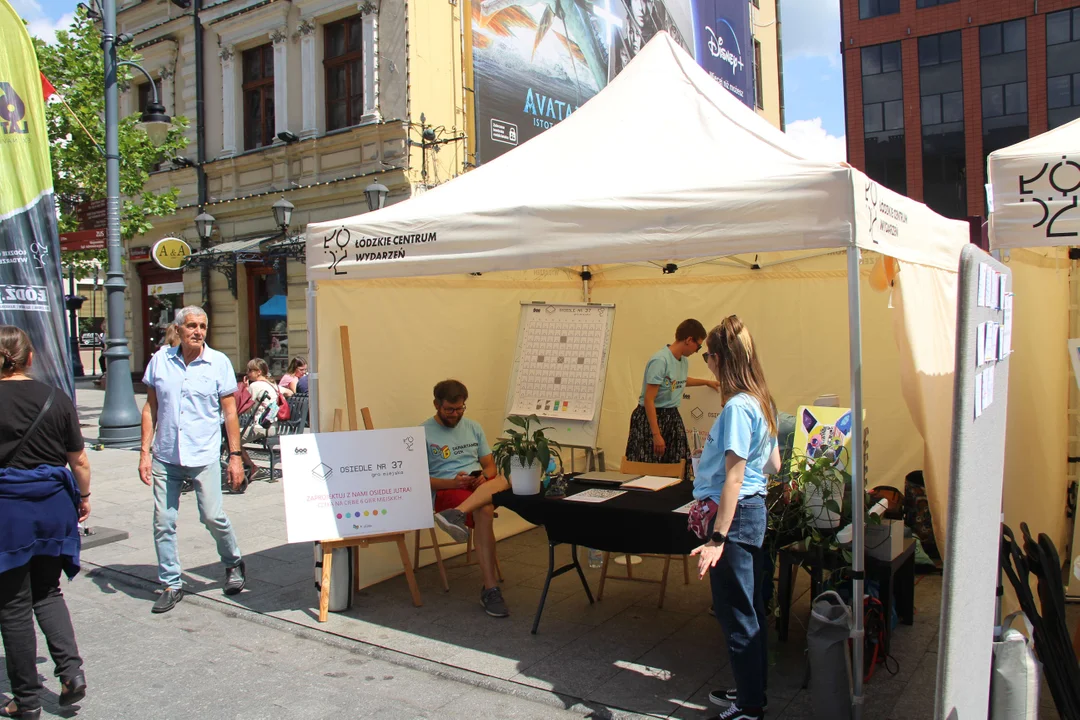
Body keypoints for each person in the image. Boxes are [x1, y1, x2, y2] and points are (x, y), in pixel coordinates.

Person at [689, 316, 781, 720]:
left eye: (708, 355)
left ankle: (749, 707)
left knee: (738, 614)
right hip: (750, 511)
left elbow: (735, 475)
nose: (706, 362)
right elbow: (774, 464)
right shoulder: (759, 399)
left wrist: (717, 539)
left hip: (736, 515)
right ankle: (749, 692)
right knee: (751, 610)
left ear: (722, 358)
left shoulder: (740, 406)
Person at [0, 326, 90, 719]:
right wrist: (84, 498)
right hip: (54, 506)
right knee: (48, 592)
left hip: (9, 512)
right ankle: (71, 674)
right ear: (30, 357)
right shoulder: (56, 397)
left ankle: (28, 700)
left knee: (13, 606)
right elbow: (79, 461)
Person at [139, 306, 248, 614]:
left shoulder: (218, 363)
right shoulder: (160, 361)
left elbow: (229, 413)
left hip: (203, 452)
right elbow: (151, 408)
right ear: (179, 329)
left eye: (202, 326)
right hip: (166, 453)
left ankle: (233, 562)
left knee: (212, 516)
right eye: (191, 326)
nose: (198, 331)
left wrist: (236, 457)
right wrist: (144, 452)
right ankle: (171, 583)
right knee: (164, 521)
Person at [424, 380, 511, 618]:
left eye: (460, 409)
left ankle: (457, 514)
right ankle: (490, 588)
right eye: (449, 410)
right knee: (485, 510)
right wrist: (453, 482)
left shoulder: (473, 427)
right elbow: (419, 479)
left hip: (475, 486)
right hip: (447, 489)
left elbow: (490, 466)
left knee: (506, 477)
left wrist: (483, 477)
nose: (455, 414)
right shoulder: (422, 432)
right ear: (436, 405)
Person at [625, 319, 717, 475]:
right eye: (698, 346)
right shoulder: (660, 361)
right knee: (647, 464)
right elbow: (649, 399)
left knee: (679, 463)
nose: (697, 350)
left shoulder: (683, 361)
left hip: (671, 416)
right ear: (689, 340)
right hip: (651, 417)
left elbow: (679, 380)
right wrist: (656, 434)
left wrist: (707, 382)